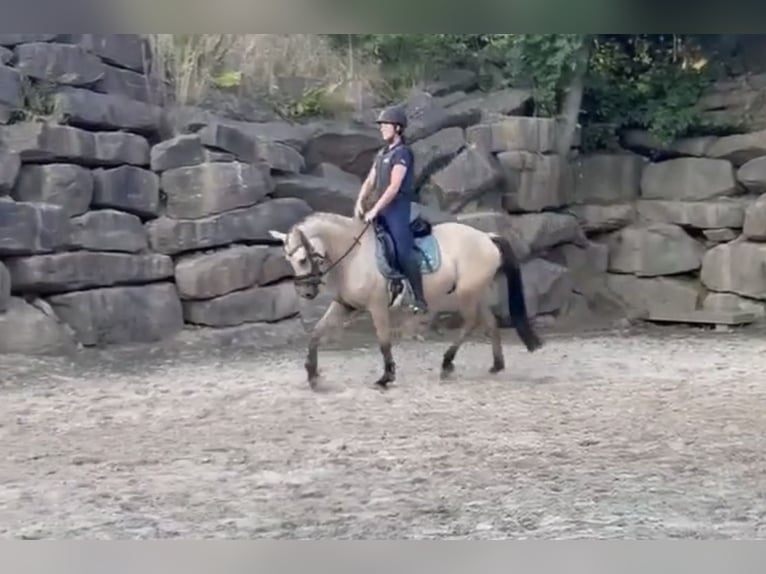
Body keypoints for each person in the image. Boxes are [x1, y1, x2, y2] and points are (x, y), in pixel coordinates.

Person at [354, 105, 429, 314]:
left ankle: (419, 299)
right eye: (382, 125)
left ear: (397, 128)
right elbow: (370, 180)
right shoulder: (382, 153)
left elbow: (394, 188)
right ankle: (390, 283)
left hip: (397, 208)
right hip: (381, 207)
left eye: (385, 125)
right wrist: (360, 201)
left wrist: (375, 209)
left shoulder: (402, 153)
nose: (382, 129)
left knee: (403, 250)